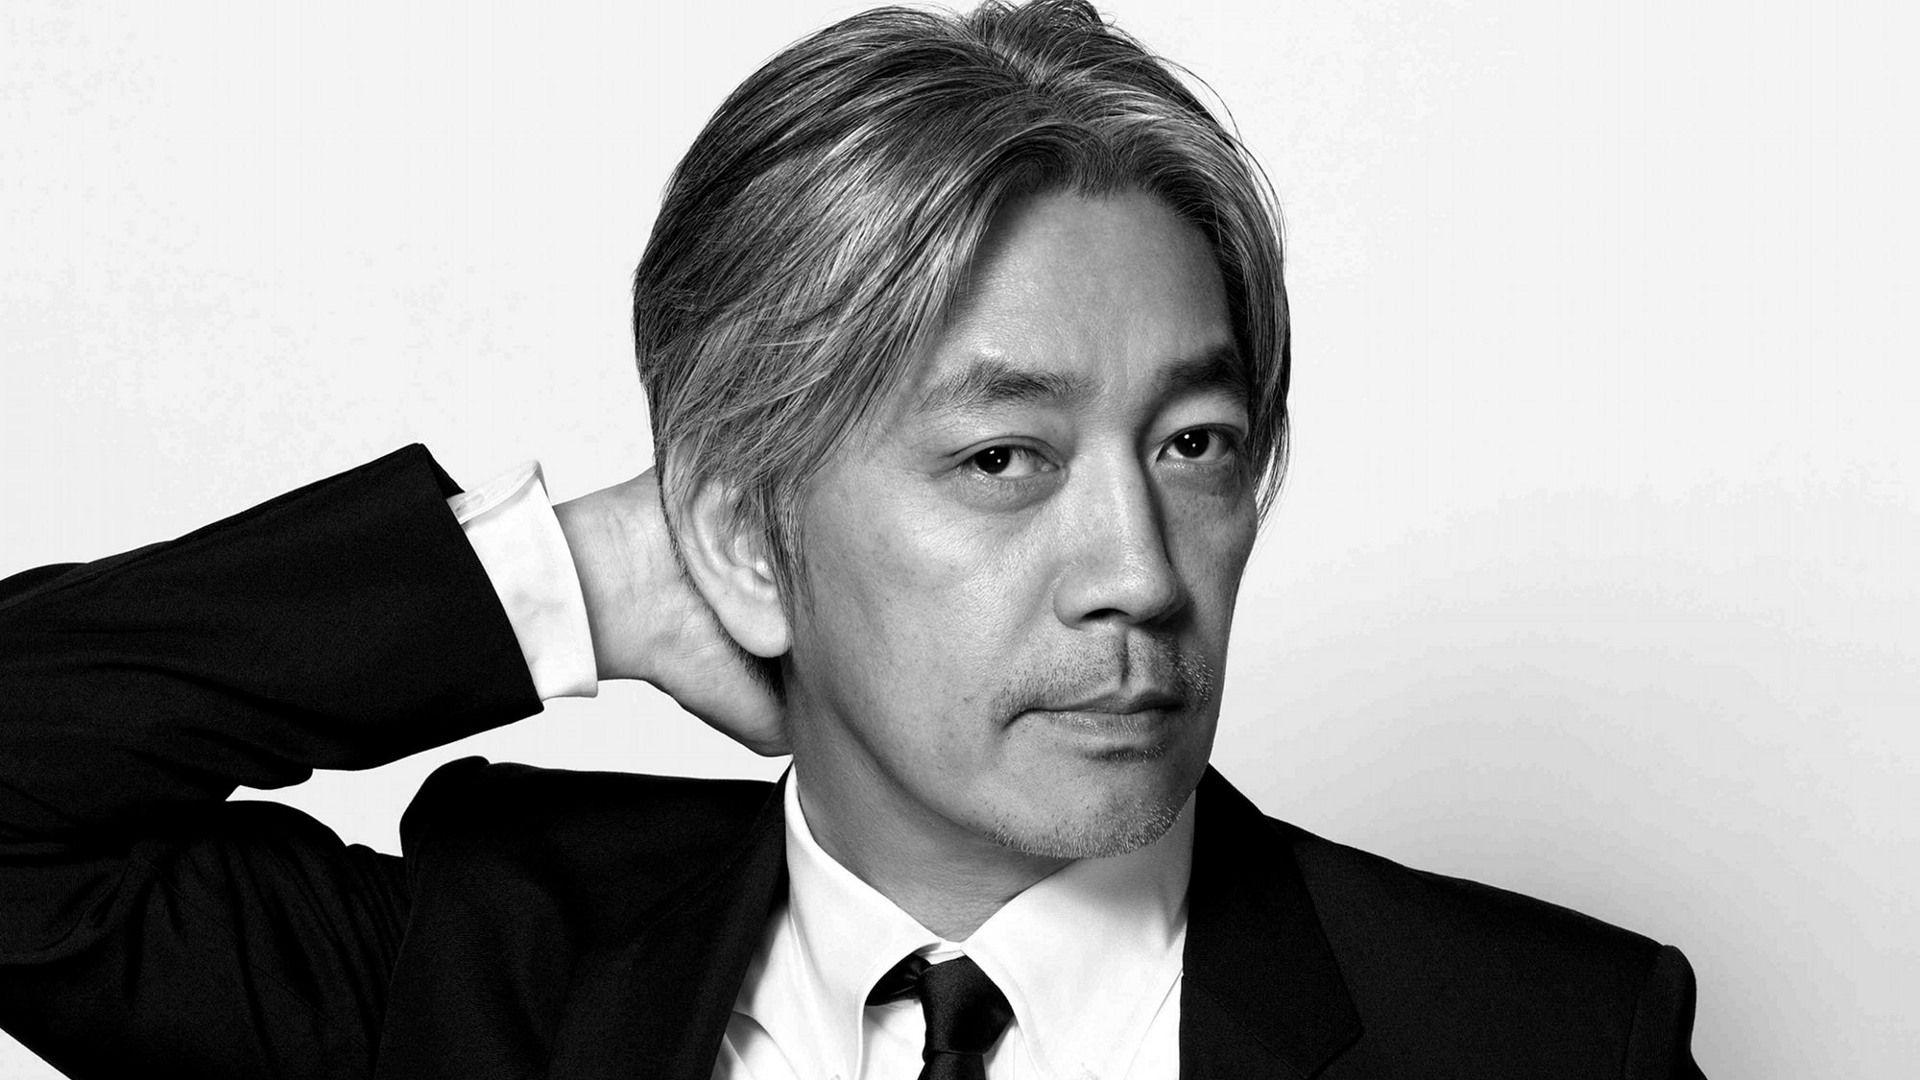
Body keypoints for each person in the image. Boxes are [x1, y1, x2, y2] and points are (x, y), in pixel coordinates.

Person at [0, 2, 1704, 1077]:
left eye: (1194, 445)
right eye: (1004, 457)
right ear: (747, 534)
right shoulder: (489, 973)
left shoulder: (1544, 1039)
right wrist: (594, 576)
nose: (1140, 571)